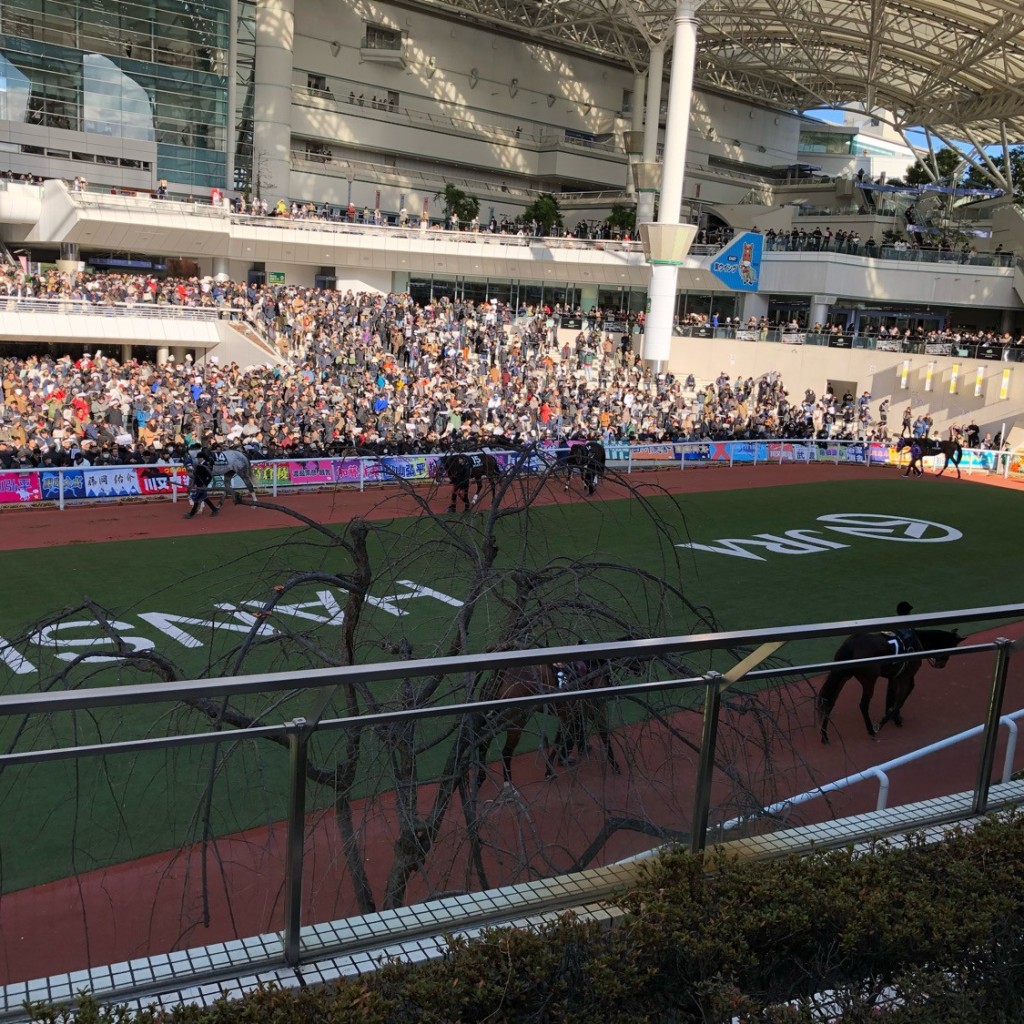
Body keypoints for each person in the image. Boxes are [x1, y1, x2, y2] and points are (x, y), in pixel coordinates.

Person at [184, 454, 220, 519]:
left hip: (202, 485)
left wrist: (205, 484)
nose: (197, 459)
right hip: (199, 485)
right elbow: (196, 476)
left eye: (198, 458)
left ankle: (191, 514)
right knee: (204, 498)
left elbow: (209, 476)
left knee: (197, 499)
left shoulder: (205, 465)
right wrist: (194, 483)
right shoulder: (199, 465)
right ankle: (214, 509)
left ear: (202, 458)